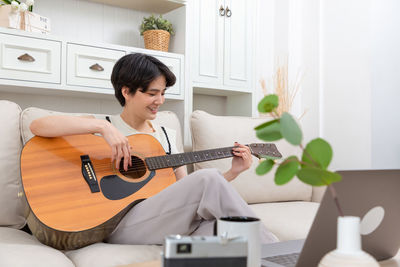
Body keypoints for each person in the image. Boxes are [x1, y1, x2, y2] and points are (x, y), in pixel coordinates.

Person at [30, 53, 278, 245]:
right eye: (152, 93)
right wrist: (103, 129)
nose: (160, 100)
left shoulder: (167, 137)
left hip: (163, 220)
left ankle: (269, 252)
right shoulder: (100, 126)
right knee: (212, 184)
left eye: (163, 93)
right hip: (117, 223)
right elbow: (38, 125)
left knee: (226, 231)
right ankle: (275, 255)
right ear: (126, 91)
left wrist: (233, 173)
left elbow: (189, 192)